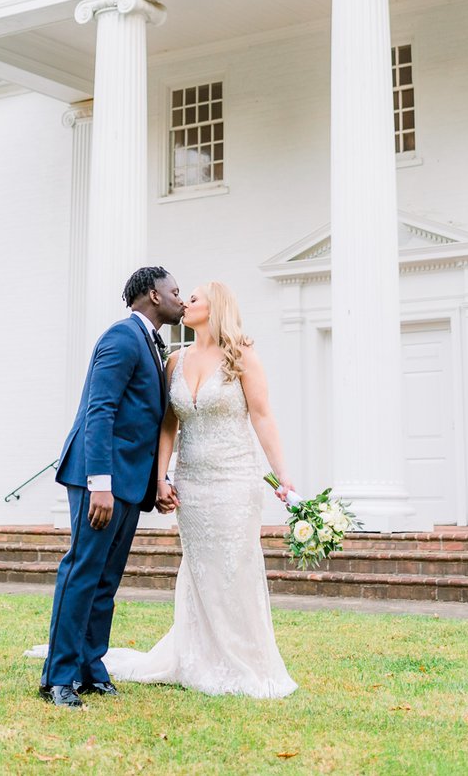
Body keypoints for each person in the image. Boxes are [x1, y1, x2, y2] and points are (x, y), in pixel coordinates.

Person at [102, 281, 298, 698]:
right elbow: (168, 426)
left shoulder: (241, 355)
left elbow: (263, 418)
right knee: (200, 572)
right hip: (192, 482)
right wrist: (161, 478)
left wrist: (284, 476)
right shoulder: (175, 360)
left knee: (235, 568)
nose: (183, 303)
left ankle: (245, 662)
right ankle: (199, 658)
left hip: (234, 479)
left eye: (192, 298)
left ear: (215, 307)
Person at [39, 265, 185, 708]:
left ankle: (90, 667)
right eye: (176, 291)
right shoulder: (122, 338)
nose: (182, 298)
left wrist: (154, 481)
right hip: (99, 479)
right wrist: (99, 483)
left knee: (105, 581)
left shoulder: (149, 343)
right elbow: (99, 411)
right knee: (82, 572)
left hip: (127, 483)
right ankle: (57, 678)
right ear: (153, 295)